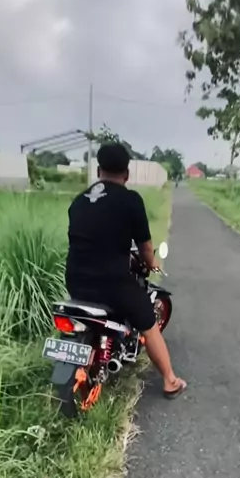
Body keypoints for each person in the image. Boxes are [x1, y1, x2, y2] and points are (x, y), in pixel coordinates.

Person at [66, 143, 186, 398]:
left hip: (75, 280)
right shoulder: (130, 200)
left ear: (98, 171)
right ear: (127, 174)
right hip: (112, 283)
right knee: (148, 323)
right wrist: (151, 263)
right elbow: (145, 247)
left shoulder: (78, 201)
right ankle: (170, 380)